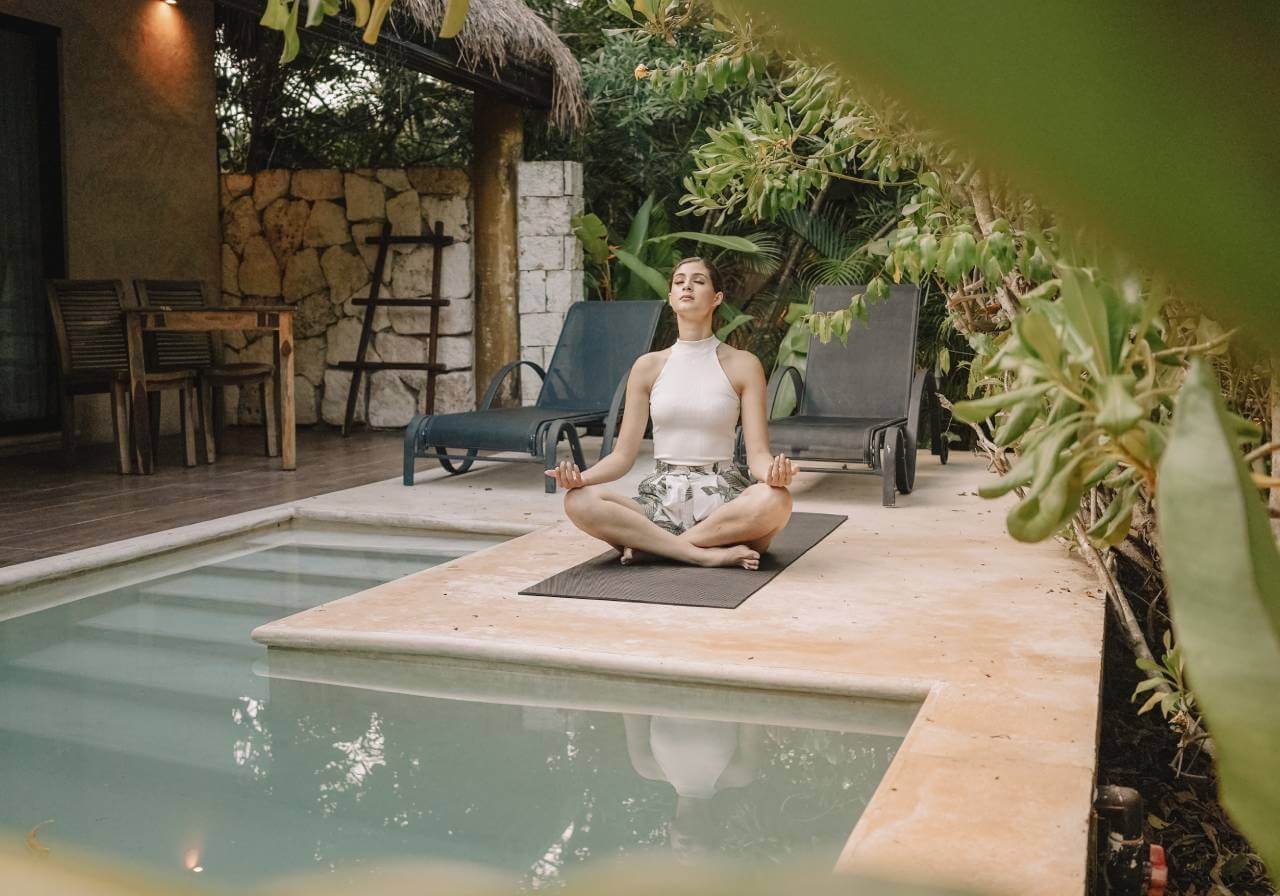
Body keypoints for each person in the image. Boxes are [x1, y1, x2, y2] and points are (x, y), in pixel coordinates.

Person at [545, 256, 796, 569]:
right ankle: (700, 553)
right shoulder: (647, 367)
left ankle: (656, 547)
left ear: (717, 298)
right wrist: (581, 478)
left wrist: (774, 473)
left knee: (776, 500)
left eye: (698, 280)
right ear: (671, 299)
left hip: (724, 502)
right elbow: (622, 457)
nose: (687, 286)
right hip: (660, 499)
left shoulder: (744, 364)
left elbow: (758, 453)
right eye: (679, 281)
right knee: (578, 501)